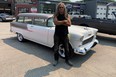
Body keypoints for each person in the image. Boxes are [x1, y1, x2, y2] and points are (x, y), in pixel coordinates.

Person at [53, 2, 73, 66]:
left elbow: (69, 24)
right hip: (57, 34)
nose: (61, 8)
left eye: (62, 7)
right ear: (58, 8)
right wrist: (64, 21)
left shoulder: (67, 15)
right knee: (56, 48)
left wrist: (60, 22)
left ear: (64, 8)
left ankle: (67, 60)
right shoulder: (55, 15)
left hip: (65, 34)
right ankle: (56, 60)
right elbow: (56, 23)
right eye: (60, 7)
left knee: (67, 49)